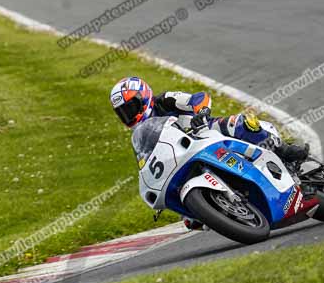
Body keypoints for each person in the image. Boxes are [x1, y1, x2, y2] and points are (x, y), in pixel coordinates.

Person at [110, 76, 309, 230]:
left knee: (239, 123)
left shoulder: (164, 100)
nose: (128, 114)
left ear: (143, 97)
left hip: (204, 131)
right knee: (190, 222)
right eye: (123, 113)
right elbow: (146, 157)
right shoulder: (140, 134)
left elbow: (198, 98)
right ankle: (223, 206)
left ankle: (284, 150)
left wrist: (201, 113)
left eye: (130, 107)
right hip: (183, 155)